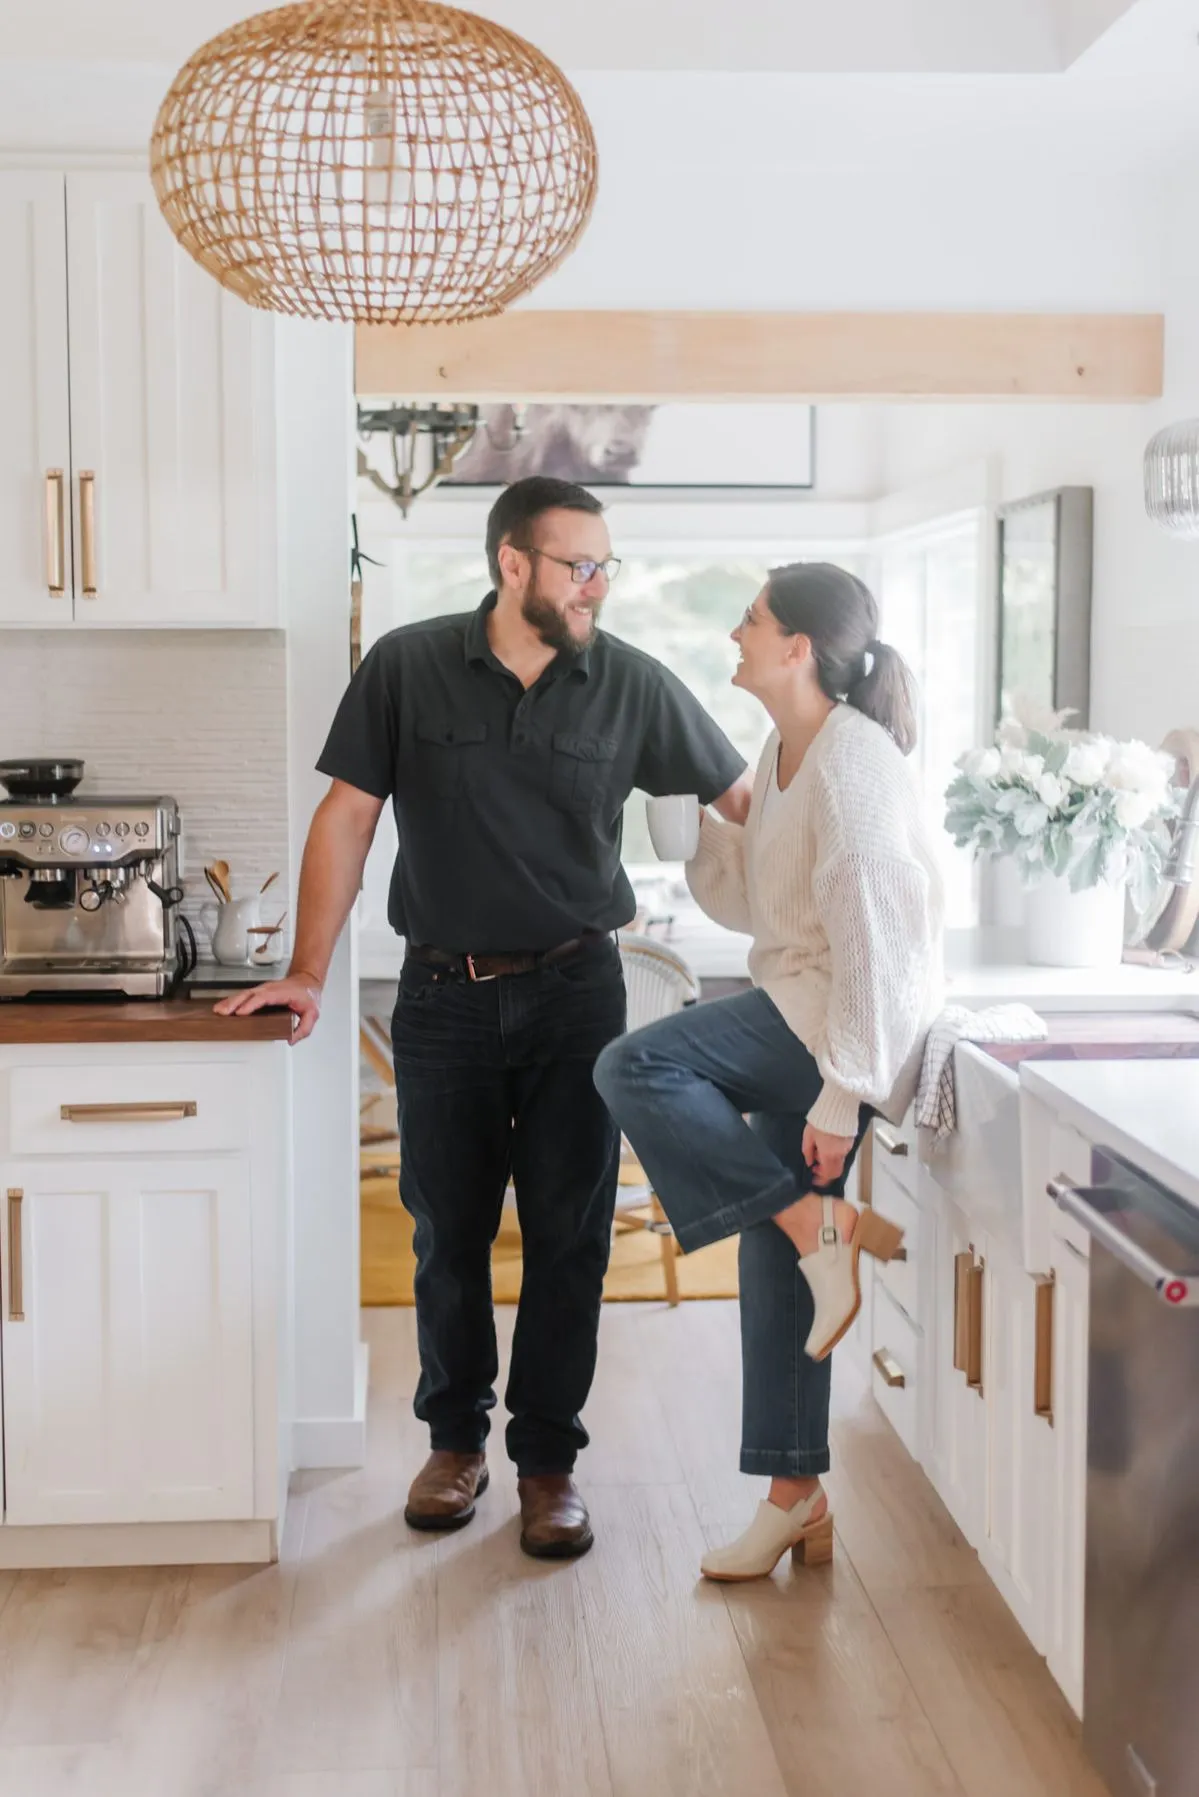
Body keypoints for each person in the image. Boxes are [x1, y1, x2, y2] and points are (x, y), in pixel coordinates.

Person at [216, 476, 751, 1560]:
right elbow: (346, 819)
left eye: (605, 564)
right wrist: (309, 972)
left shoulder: (633, 683)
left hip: (576, 997)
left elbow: (750, 806)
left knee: (570, 1237)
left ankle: (547, 1463)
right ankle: (453, 1443)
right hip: (441, 998)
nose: (596, 582)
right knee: (446, 1235)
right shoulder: (408, 666)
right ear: (512, 564)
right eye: (577, 564)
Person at [594, 562, 944, 1583]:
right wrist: (698, 836)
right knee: (774, 1265)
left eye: (748, 622)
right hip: (806, 1009)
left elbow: (883, 946)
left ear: (797, 647)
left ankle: (813, 1230)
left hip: (834, 1025)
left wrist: (842, 1096)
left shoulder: (851, 765)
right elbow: (762, 909)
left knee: (637, 1066)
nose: (732, 636)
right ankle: (796, 1498)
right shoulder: (785, 749)